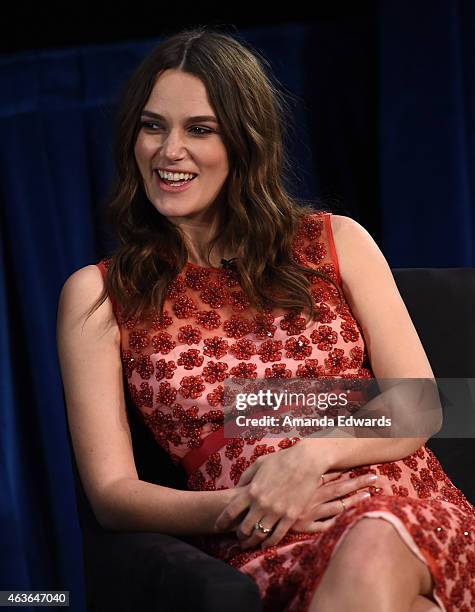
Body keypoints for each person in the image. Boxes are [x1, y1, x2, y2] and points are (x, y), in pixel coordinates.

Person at [57, 27, 475, 612]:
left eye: (199, 129)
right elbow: (112, 495)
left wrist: (308, 457)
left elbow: (423, 404)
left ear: (245, 143)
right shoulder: (100, 294)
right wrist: (255, 503)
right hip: (268, 544)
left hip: (400, 505)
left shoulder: (336, 241)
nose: (168, 150)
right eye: (153, 126)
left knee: (375, 540)